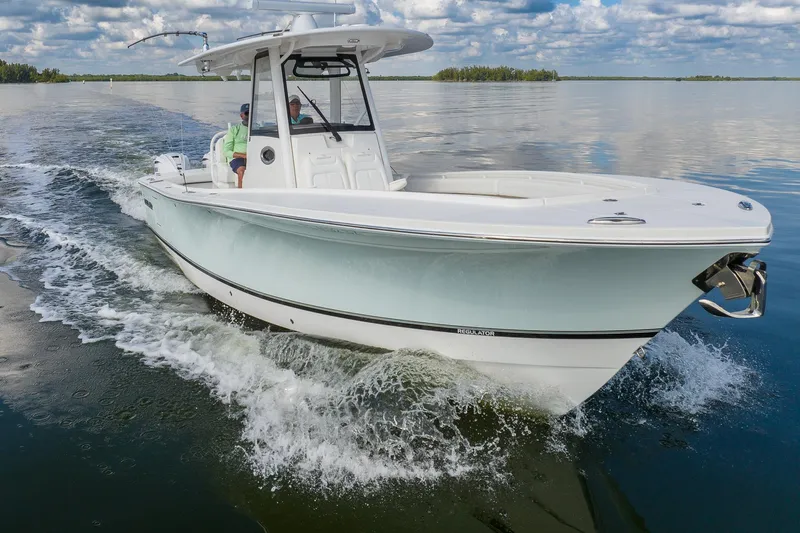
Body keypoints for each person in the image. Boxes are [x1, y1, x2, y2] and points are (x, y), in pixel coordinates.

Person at [223, 103, 249, 188]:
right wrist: (243, 155)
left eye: (251, 113)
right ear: (241, 116)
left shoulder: (258, 129)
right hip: (237, 158)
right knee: (242, 171)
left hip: (255, 156)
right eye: (247, 113)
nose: (249, 116)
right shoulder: (234, 130)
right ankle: (241, 194)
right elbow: (226, 151)